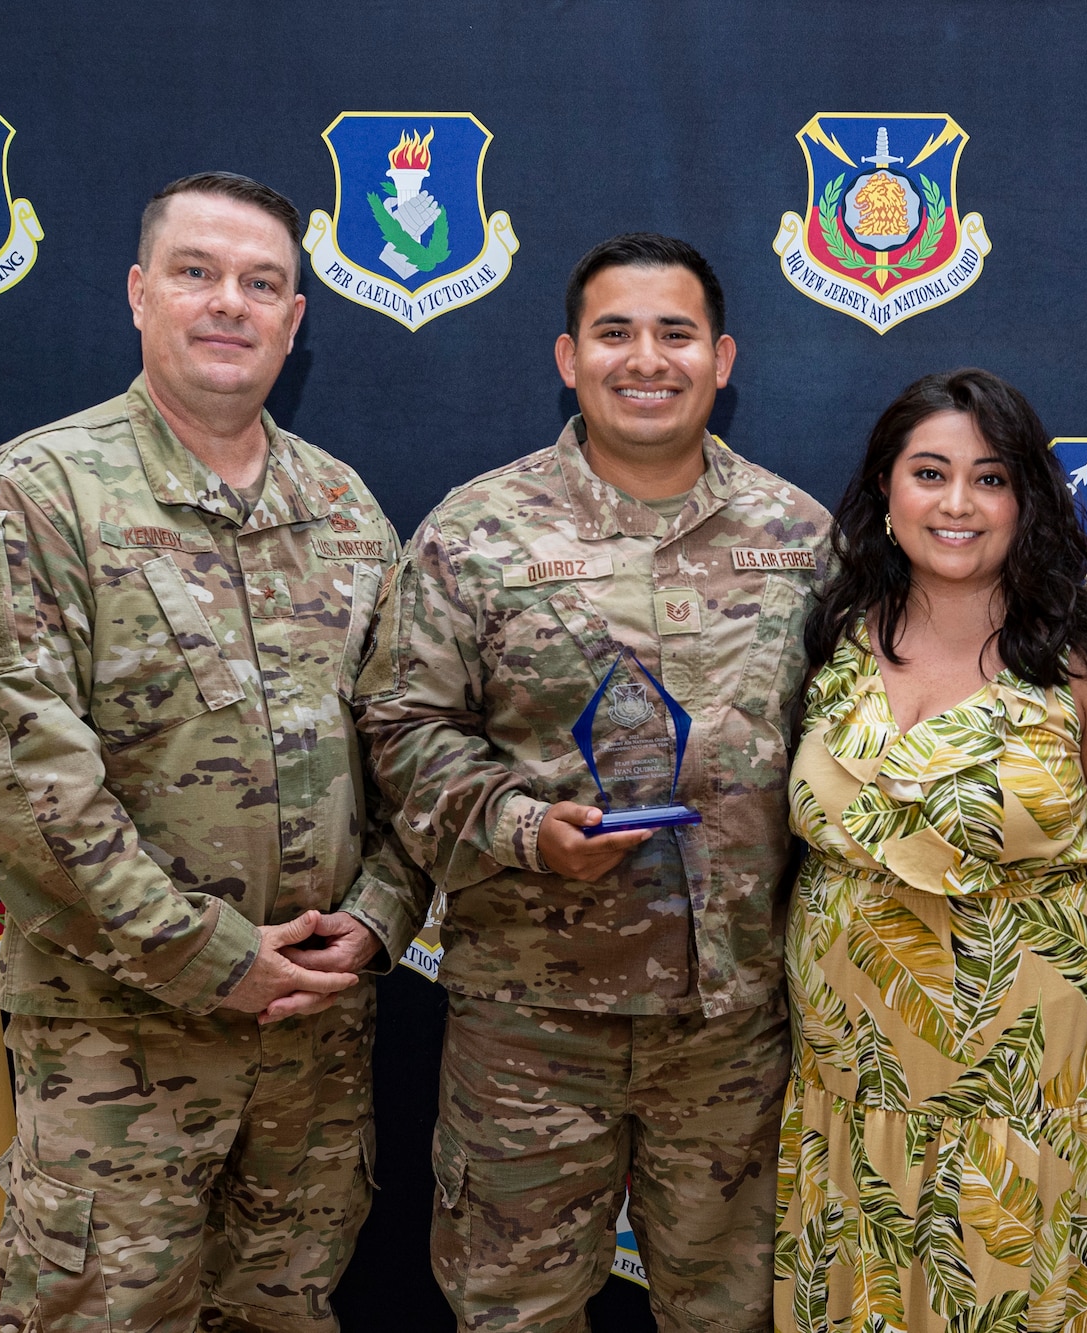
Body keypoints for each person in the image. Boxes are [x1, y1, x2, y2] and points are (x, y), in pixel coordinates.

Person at [0, 171, 416, 1333]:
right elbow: (22, 793)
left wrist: (385, 910)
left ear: (296, 320)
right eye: (196, 273)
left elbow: (411, 746)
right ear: (140, 292)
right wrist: (209, 958)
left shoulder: (345, 509)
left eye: (262, 284)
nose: (227, 304)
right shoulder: (33, 498)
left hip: (313, 1049)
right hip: (121, 1052)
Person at [356, 232, 829, 1333]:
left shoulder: (802, 539)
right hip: (530, 1027)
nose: (644, 358)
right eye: (614, 333)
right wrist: (523, 829)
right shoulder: (473, 536)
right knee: (512, 1313)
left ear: (722, 357)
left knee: (737, 1314)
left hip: (731, 1024)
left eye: (674, 333)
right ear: (568, 358)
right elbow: (404, 731)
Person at [775, 369, 1087, 1333]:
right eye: (930, 472)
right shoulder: (832, 631)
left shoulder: (1086, 656)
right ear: (886, 490)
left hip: (1025, 1089)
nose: (957, 503)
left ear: (1026, 501)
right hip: (848, 1080)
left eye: (990, 478)